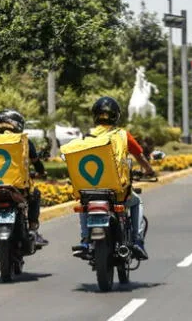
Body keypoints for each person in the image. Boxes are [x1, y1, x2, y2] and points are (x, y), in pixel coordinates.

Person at [71, 97, 156, 260]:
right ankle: (137, 241)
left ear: (95, 116)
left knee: (84, 202)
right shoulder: (123, 135)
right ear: (116, 116)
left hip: (91, 188)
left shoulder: (86, 137)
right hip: (117, 191)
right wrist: (150, 171)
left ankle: (84, 240)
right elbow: (139, 156)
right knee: (137, 202)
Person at [0, 109, 49, 251]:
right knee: (35, 195)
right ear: (16, 124)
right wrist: (41, 172)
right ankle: (33, 230)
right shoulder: (24, 141)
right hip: (18, 187)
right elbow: (36, 162)